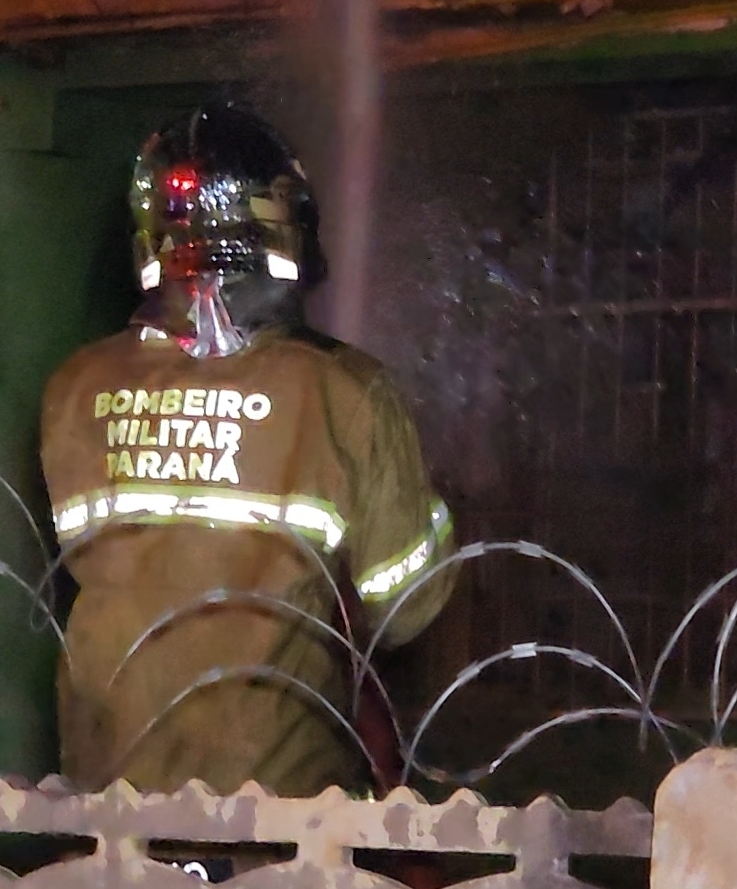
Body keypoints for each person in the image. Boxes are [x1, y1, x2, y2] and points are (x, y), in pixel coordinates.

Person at [40, 103, 456, 799]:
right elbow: (409, 606)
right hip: (279, 818)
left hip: (109, 810)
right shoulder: (345, 390)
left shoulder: (74, 388)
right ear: (284, 230)